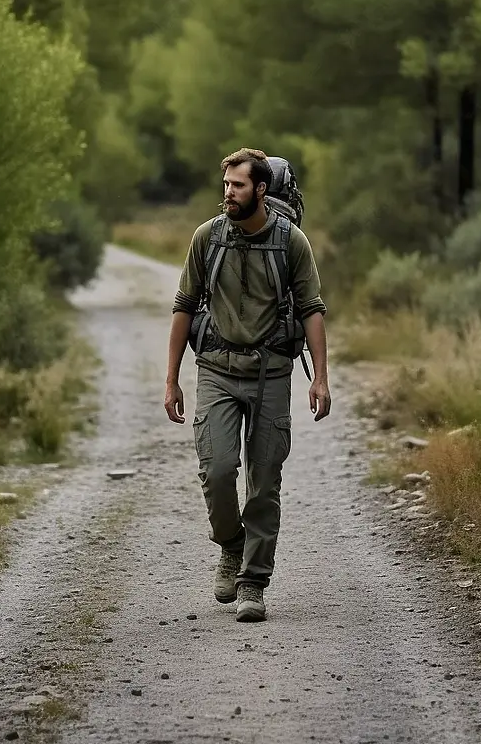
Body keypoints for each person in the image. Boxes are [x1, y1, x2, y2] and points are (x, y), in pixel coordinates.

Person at [164, 147, 331, 623]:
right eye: (225, 185)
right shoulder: (207, 237)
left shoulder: (291, 242)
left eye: (237, 186)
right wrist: (171, 379)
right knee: (217, 470)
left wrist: (320, 377)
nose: (228, 194)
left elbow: (312, 310)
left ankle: (253, 583)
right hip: (216, 370)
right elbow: (183, 304)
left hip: (270, 373)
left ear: (260, 189)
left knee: (264, 482)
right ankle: (231, 544)